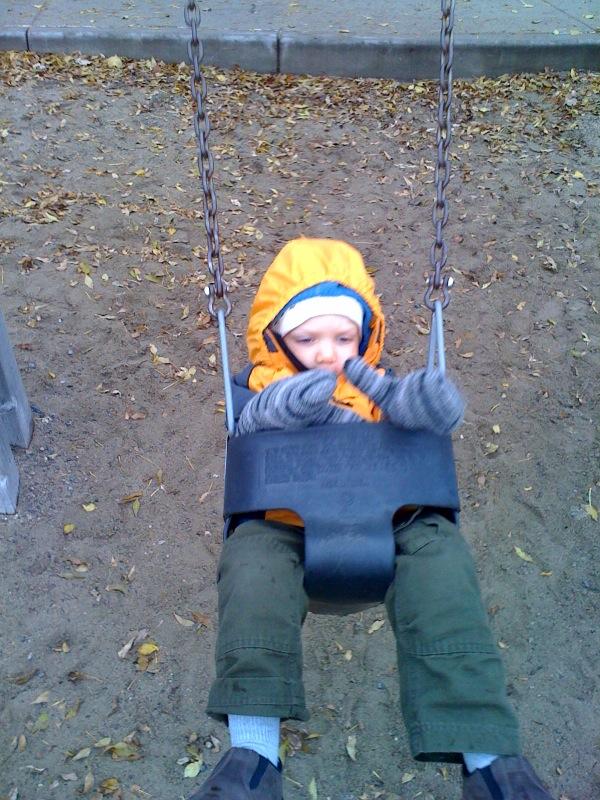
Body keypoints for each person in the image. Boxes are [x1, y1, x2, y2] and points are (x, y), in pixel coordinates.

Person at [187, 238, 554, 800]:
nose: (326, 353)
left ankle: (489, 761)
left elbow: (419, 420)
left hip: (391, 522)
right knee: (250, 567)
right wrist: (283, 409)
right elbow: (251, 423)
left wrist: (422, 408)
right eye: (307, 338)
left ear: (365, 336)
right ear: (275, 337)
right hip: (284, 527)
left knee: (443, 565)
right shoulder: (260, 386)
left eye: (343, 338)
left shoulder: (376, 387)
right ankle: (253, 757)